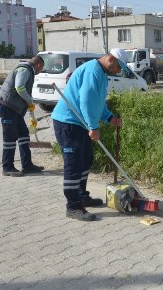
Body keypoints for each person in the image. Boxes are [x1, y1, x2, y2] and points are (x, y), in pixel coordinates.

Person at [52, 48, 126, 221]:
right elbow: (86, 101)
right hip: (69, 122)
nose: (119, 71)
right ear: (110, 59)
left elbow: (97, 102)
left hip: (80, 123)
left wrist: (109, 117)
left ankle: (81, 196)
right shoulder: (93, 71)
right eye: (118, 67)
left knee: (86, 160)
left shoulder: (100, 73)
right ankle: (73, 207)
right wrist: (93, 126)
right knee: (74, 164)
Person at [0, 54, 45, 177]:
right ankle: (7, 167)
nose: (41, 71)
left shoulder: (27, 70)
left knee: (23, 135)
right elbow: (20, 87)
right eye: (42, 68)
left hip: (15, 109)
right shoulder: (24, 69)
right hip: (8, 107)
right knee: (10, 138)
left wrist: (30, 111)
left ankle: (27, 165)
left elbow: (23, 91)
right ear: (38, 64)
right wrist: (30, 101)